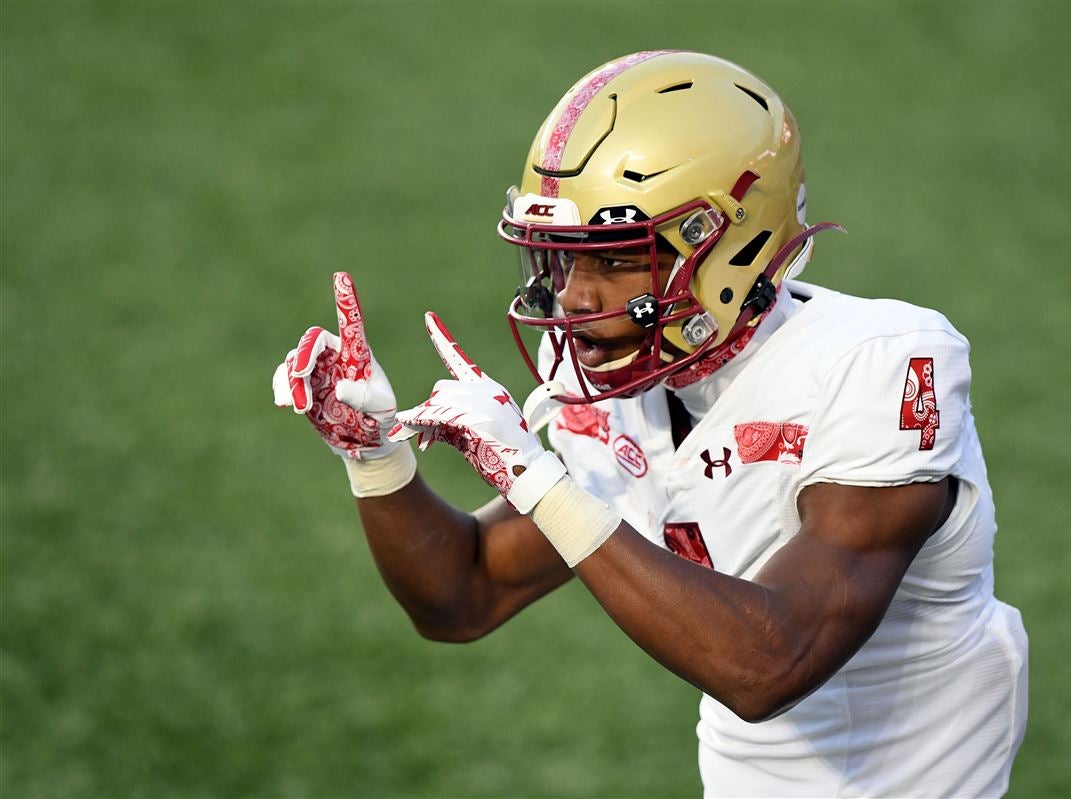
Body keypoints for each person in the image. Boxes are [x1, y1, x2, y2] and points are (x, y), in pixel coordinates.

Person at [272, 51, 1028, 798]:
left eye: (615, 259)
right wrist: (374, 459)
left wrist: (538, 479)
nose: (572, 298)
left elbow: (771, 663)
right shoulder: (607, 377)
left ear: (727, 241)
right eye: (561, 261)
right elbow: (461, 595)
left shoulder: (877, 365)